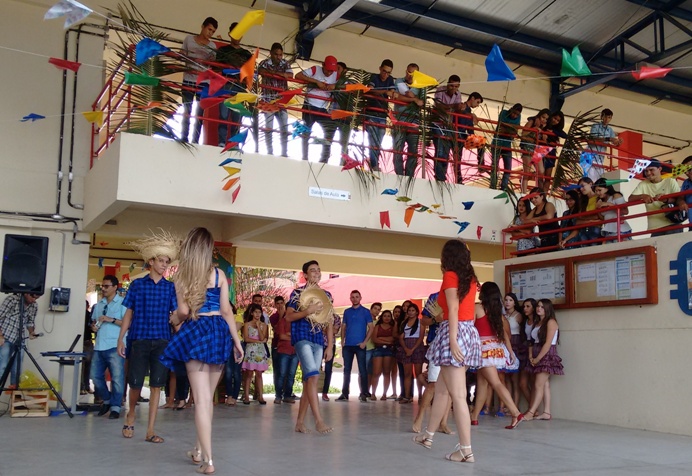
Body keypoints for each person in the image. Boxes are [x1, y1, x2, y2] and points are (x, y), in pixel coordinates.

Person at [160, 227, 244, 474]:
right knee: (207, 399)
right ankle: (198, 450)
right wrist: (237, 341)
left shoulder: (182, 276)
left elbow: (184, 312)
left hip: (197, 331)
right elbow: (226, 311)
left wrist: (174, 319)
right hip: (218, 332)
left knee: (201, 400)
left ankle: (208, 461)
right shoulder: (219, 274)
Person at [413, 239, 482, 464]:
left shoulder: (451, 276)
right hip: (466, 331)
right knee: (443, 392)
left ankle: (466, 450)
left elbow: (453, 309)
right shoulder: (470, 278)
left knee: (458, 396)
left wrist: (452, 340)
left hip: (455, 331)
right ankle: (428, 435)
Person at [117, 230, 180, 443]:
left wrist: (181, 333)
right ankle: (131, 415)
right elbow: (129, 313)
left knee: (156, 385)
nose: (164, 265)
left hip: (162, 340)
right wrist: (120, 338)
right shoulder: (137, 285)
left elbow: (174, 315)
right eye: (161, 261)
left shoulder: (170, 288)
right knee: (135, 383)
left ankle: (151, 430)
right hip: (139, 339)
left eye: (167, 262)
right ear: (151, 261)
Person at [285, 260, 334, 434]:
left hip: (318, 340)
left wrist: (330, 345)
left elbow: (329, 321)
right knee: (313, 376)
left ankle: (299, 423)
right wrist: (308, 310)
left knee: (309, 380)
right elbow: (288, 317)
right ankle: (319, 421)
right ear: (305, 275)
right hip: (301, 337)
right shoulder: (297, 293)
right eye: (313, 270)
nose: (317, 273)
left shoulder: (326, 295)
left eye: (318, 270)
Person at [468, 282, 523, 429]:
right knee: (482, 383)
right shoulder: (497, 312)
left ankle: (516, 413)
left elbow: (469, 329)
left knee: (495, 383)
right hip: (495, 349)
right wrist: (510, 353)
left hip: (482, 349)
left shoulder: (477, 308)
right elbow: (504, 334)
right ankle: (474, 417)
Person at [90, 275, 126, 419]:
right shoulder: (99, 305)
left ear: (115, 287)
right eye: (102, 286)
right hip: (99, 345)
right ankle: (107, 400)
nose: (103, 289)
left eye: (106, 286)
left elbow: (128, 323)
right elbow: (94, 322)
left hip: (115, 344)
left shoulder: (123, 303)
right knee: (95, 376)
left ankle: (116, 407)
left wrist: (111, 319)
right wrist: (94, 327)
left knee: (117, 378)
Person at [180, 17, 218, 144]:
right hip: (188, 79)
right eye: (209, 29)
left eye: (213, 31)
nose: (210, 33)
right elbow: (181, 54)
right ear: (202, 26)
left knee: (200, 111)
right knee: (187, 109)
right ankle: (184, 137)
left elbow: (214, 65)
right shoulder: (189, 39)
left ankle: (195, 140)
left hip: (204, 82)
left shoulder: (212, 46)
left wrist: (209, 61)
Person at [524, 299, 563, 422]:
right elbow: (531, 341)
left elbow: (548, 343)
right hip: (536, 352)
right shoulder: (537, 322)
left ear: (547, 308)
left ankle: (531, 412)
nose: (538, 308)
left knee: (538, 384)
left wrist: (538, 358)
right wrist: (531, 356)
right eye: (538, 306)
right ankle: (546, 412)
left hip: (546, 355)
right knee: (545, 384)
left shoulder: (551, 322)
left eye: (542, 306)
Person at [295, 56, 339, 163]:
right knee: (306, 131)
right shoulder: (315, 69)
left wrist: (335, 85)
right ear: (323, 65)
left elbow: (347, 85)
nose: (330, 73)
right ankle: (304, 157)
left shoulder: (336, 75)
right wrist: (316, 82)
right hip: (309, 105)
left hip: (323, 108)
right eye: (328, 70)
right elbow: (298, 75)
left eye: (332, 71)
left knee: (329, 130)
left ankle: (324, 158)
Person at [216, 22, 253, 147]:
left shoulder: (247, 54)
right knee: (223, 115)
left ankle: (234, 143)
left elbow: (250, 72)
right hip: (225, 85)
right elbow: (218, 67)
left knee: (237, 117)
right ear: (230, 34)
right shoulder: (222, 50)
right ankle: (222, 141)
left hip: (240, 87)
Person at [629, 159, 687, 236]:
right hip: (655, 226)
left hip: (673, 222)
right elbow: (630, 199)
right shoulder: (643, 184)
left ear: (660, 169)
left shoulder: (670, 181)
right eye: (646, 171)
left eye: (651, 170)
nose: (648, 173)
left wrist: (666, 199)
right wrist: (642, 196)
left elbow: (679, 199)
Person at [337, 290, 374, 403]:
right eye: (352, 297)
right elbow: (343, 327)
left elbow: (371, 327)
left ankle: (364, 393)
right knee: (346, 370)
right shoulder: (347, 312)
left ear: (360, 298)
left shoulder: (366, 312)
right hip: (348, 345)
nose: (355, 299)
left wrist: (364, 342)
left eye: (357, 297)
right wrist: (342, 341)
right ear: (350, 298)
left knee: (363, 370)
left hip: (360, 345)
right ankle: (345, 393)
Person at [257, 42, 293, 157]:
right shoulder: (264, 63)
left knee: (284, 127)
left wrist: (273, 73)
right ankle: (270, 152)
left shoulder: (285, 63)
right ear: (271, 53)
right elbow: (261, 71)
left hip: (281, 101)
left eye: (280, 55)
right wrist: (280, 74)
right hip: (268, 100)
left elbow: (290, 75)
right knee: (269, 128)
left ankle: (284, 152)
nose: (279, 57)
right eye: (276, 54)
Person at [0, 293, 40, 387]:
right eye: (33, 297)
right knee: (2, 366)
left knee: (17, 368)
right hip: (5, 337)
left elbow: (30, 322)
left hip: (19, 339)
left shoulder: (34, 305)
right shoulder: (12, 299)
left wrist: (31, 332)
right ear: (26, 293)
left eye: (37, 298)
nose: (34, 300)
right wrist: (0, 336)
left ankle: (14, 391)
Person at [392, 63, 425, 176]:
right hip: (399, 119)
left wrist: (411, 98)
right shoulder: (399, 81)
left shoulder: (421, 86)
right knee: (398, 149)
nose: (410, 75)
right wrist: (414, 100)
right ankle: (399, 175)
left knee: (413, 151)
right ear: (406, 71)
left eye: (413, 73)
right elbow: (396, 97)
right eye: (409, 72)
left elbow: (422, 103)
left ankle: (409, 176)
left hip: (414, 121)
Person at [365, 59, 396, 171]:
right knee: (373, 140)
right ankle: (374, 165)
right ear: (380, 69)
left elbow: (392, 92)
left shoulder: (390, 79)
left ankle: (374, 163)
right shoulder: (374, 77)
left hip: (382, 114)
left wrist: (390, 92)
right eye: (384, 71)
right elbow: (370, 89)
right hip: (372, 112)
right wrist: (384, 92)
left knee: (378, 141)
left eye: (388, 73)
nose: (385, 75)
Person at [431, 76, 461, 181]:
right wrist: (453, 106)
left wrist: (449, 107)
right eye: (451, 86)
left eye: (456, 86)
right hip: (437, 124)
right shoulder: (440, 90)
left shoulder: (458, 94)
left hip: (448, 126)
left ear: (458, 86)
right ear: (448, 84)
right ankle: (439, 176)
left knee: (446, 152)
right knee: (440, 150)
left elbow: (458, 109)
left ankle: (442, 176)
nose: (453, 88)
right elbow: (439, 106)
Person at [396, 303, 426, 404]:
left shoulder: (421, 322)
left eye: (413, 310)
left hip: (417, 347)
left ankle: (420, 396)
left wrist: (412, 349)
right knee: (407, 374)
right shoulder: (404, 323)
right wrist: (406, 348)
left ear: (417, 312)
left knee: (418, 373)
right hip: (406, 347)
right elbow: (401, 337)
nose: (411, 312)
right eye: (409, 310)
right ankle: (407, 396)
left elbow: (421, 337)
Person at [241, 303, 269, 404]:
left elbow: (263, 337)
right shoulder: (247, 325)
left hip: (260, 351)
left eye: (259, 312)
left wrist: (258, 326)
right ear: (252, 313)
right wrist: (258, 341)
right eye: (256, 312)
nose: (257, 314)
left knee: (259, 373)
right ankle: (246, 396)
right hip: (250, 350)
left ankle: (261, 396)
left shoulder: (264, 325)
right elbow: (246, 339)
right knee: (249, 373)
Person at [491, 103, 523, 190]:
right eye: (514, 113)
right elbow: (501, 126)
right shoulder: (503, 113)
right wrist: (511, 128)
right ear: (511, 109)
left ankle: (504, 187)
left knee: (508, 168)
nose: (514, 116)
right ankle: (493, 185)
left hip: (507, 145)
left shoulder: (518, 117)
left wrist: (507, 127)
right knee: (494, 166)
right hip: (497, 142)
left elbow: (515, 130)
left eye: (517, 114)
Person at [519, 108, 550, 194]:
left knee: (541, 171)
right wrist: (534, 129)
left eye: (546, 119)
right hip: (527, 147)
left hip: (537, 148)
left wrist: (543, 134)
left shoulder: (544, 127)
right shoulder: (532, 121)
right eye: (543, 117)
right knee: (527, 171)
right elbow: (523, 134)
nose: (544, 120)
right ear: (539, 116)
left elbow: (545, 140)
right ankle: (523, 193)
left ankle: (537, 191)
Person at [588, 108, 622, 181]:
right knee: (590, 178)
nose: (607, 119)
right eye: (605, 116)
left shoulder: (610, 130)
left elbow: (614, 142)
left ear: (611, 118)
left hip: (601, 158)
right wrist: (608, 139)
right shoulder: (595, 126)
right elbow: (593, 138)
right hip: (591, 156)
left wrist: (618, 142)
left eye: (609, 117)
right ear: (601, 117)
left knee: (598, 180)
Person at [274, 302, 298, 404]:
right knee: (282, 374)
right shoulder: (282, 321)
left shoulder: (297, 323)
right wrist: (292, 336)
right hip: (283, 351)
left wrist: (288, 335)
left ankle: (287, 395)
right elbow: (282, 336)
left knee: (291, 375)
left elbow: (299, 337)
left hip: (295, 351)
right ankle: (278, 396)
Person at [370, 309, 395, 400]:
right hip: (378, 350)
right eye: (385, 316)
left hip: (389, 350)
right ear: (382, 317)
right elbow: (374, 339)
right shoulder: (377, 326)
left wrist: (381, 339)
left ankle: (384, 394)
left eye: (388, 316)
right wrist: (387, 341)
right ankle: (373, 393)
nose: (386, 318)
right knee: (376, 373)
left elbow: (393, 339)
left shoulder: (393, 327)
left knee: (387, 372)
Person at [542, 111, 568, 191]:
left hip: (551, 151)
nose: (555, 121)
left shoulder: (557, 129)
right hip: (541, 149)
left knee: (548, 176)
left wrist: (553, 132)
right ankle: (539, 193)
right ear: (551, 116)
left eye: (558, 120)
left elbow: (565, 135)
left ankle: (544, 194)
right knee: (540, 174)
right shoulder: (544, 124)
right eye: (555, 118)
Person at [577, 177, 602, 245]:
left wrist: (584, 217)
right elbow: (578, 218)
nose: (581, 189)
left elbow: (598, 216)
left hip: (596, 229)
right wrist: (591, 220)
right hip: (584, 230)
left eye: (582, 186)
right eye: (579, 187)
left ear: (590, 184)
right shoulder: (582, 201)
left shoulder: (598, 197)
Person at [680, 156, 692, 230]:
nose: (687, 173)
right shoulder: (686, 182)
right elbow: (681, 197)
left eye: (689, 170)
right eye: (685, 171)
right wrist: (681, 202)